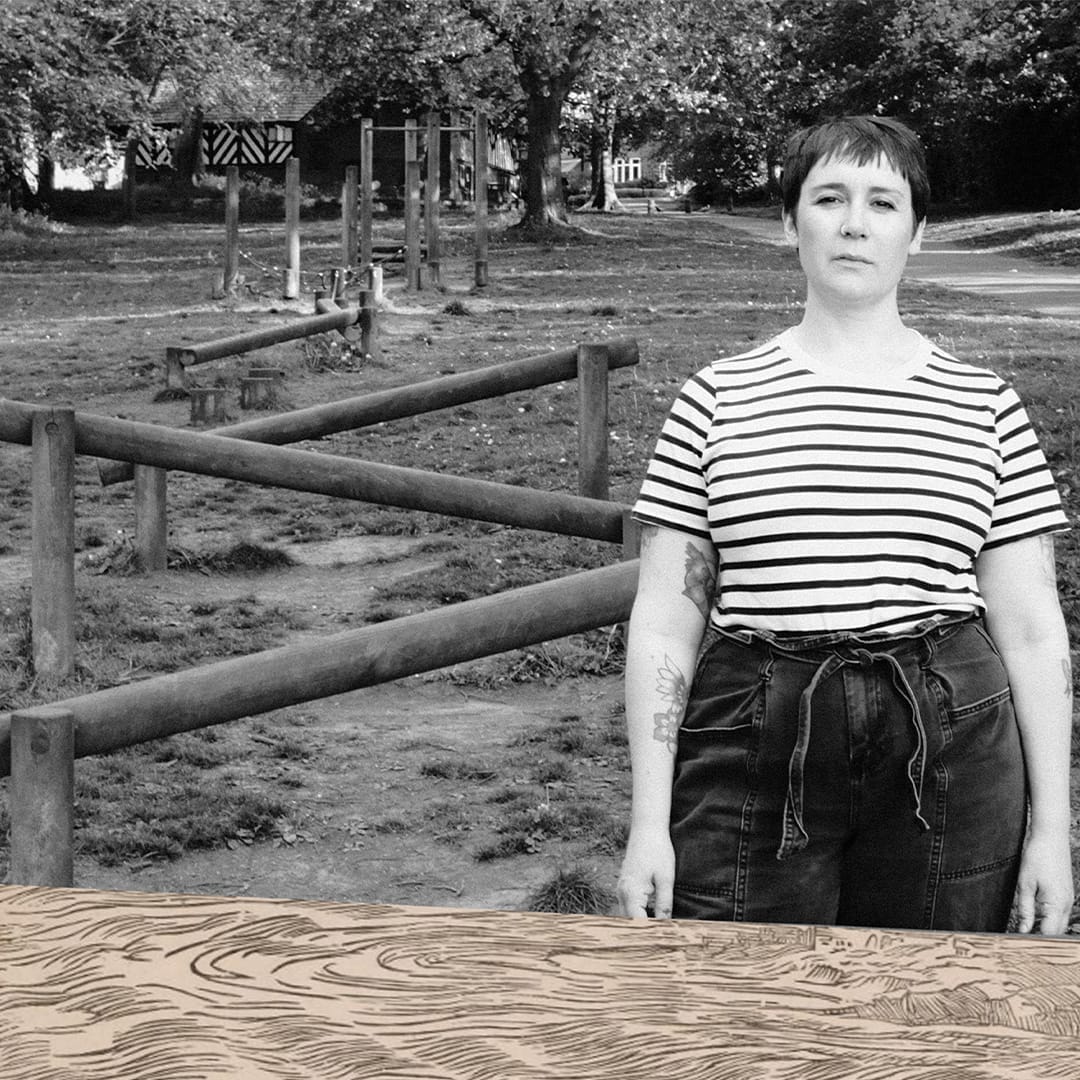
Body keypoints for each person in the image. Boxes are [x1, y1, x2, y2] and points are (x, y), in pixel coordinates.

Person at [616, 115, 1075, 935]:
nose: (855, 223)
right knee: (740, 994)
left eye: (883, 203)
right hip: (751, 735)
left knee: (928, 996)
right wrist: (648, 824)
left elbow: (1034, 630)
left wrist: (1053, 832)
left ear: (917, 232)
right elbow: (663, 620)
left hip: (953, 748)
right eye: (829, 198)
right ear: (789, 222)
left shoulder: (985, 406)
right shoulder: (716, 400)